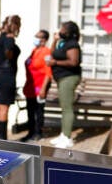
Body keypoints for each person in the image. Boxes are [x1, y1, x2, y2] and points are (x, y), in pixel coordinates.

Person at [45, 21, 82, 149]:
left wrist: (55, 62)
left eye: (63, 29)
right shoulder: (63, 43)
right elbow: (52, 53)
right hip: (62, 78)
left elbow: (73, 62)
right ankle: (63, 134)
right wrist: (55, 40)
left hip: (69, 77)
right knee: (64, 106)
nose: (60, 30)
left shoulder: (73, 44)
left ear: (69, 32)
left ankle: (67, 138)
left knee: (67, 108)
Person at [19, 29, 52, 142]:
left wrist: (43, 88)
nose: (36, 38)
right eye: (35, 36)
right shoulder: (34, 51)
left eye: (38, 36)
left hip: (40, 86)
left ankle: (38, 132)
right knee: (30, 110)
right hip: (30, 86)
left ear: (44, 39)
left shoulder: (46, 52)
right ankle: (31, 132)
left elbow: (48, 72)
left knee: (38, 111)